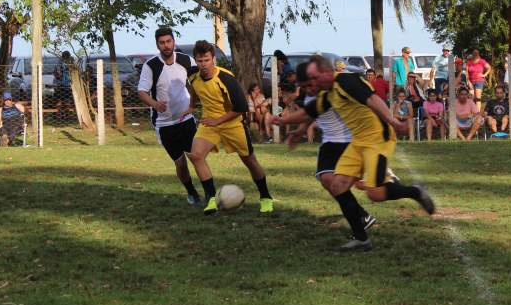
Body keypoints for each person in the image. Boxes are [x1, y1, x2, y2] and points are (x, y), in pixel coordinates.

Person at [274, 54, 434, 251]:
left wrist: (392, 121)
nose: (312, 85)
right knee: (337, 185)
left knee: (375, 194)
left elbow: (373, 100)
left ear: (325, 73)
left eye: (314, 80)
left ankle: (416, 191)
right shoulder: (328, 94)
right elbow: (308, 113)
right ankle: (361, 238)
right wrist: (284, 122)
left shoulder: (346, 81)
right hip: (358, 141)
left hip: (377, 138)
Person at [278, 62, 377, 236]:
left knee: (343, 184)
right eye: (302, 86)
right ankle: (361, 217)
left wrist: (281, 120)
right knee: (327, 180)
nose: (305, 90)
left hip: (348, 141)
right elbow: (311, 114)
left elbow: (309, 111)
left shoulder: (330, 91)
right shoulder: (309, 93)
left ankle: (361, 224)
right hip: (329, 142)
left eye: (307, 85)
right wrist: (300, 130)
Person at [183, 40, 273, 214]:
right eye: (200, 61)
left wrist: (218, 121)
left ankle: (266, 197)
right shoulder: (193, 75)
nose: (203, 64)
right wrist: (191, 106)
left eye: (207, 60)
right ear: (196, 61)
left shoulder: (225, 78)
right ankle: (210, 199)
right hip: (209, 122)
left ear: (213, 59)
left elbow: (241, 108)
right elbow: (194, 88)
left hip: (232, 123)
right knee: (196, 155)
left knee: (249, 160)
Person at [138, 28, 203, 206]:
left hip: (186, 119)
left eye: (169, 41)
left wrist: (192, 105)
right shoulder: (151, 65)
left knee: (196, 156)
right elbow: (142, 92)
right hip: (164, 123)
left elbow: (198, 83)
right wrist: (155, 104)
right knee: (180, 163)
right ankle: (191, 192)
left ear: (174, 41)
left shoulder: (185, 60)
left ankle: (210, 193)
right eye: (162, 42)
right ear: (157, 44)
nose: (166, 45)